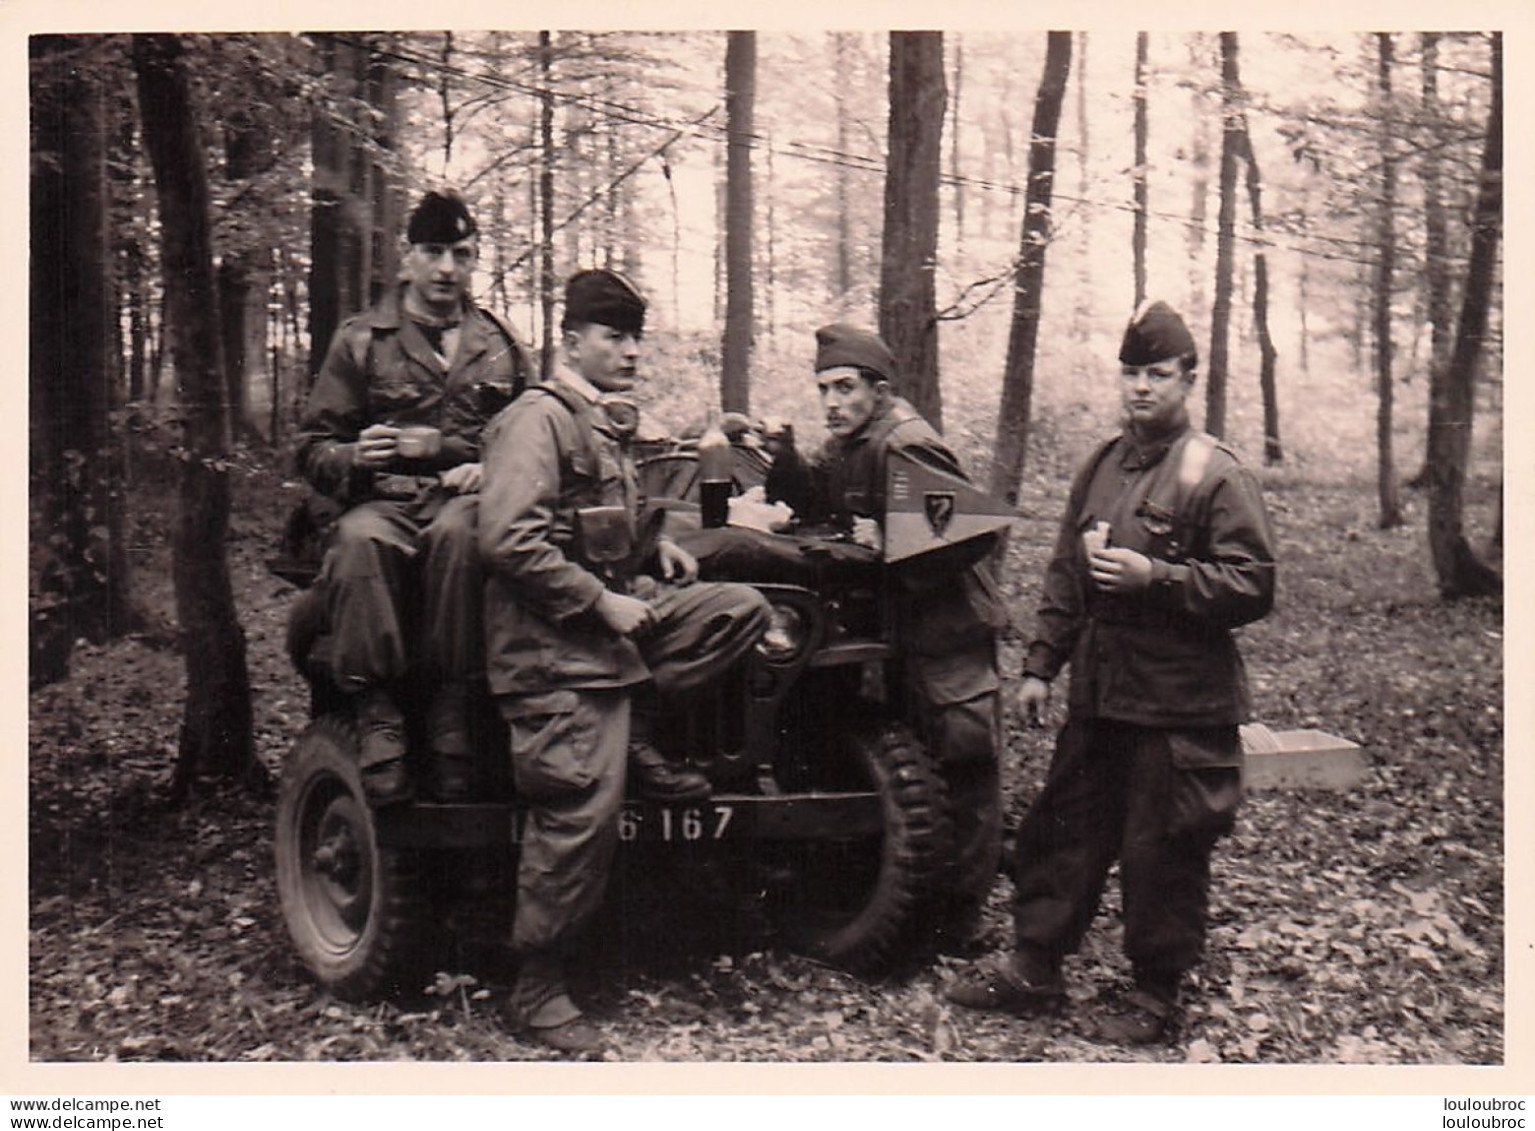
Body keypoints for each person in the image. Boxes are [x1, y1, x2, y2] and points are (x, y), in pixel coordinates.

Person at [946, 299, 1277, 1044]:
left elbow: (1252, 584)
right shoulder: (1101, 464)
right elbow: (1068, 571)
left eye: (1156, 373)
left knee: (1162, 847)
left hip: (1178, 701)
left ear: (1187, 380)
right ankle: (1034, 965)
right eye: (1130, 372)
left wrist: (1155, 576)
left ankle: (1155, 994)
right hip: (1101, 691)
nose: (1139, 387)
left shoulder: (1213, 471)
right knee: (1062, 828)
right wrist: (1039, 665)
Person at [478, 268, 770, 1055]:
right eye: (615, 336)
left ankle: (634, 724)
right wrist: (599, 600)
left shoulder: (604, 425)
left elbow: (609, 528)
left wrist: (658, 548)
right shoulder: (537, 420)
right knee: (577, 802)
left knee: (736, 608)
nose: (632, 352)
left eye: (637, 336)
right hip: (552, 649)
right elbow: (508, 538)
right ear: (572, 340)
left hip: (608, 640)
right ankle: (536, 986)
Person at [764, 323, 1009, 946]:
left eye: (844, 388)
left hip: (948, 629)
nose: (832, 402)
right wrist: (783, 456)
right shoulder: (853, 442)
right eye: (823, 389)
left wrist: (889, 542)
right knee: (918, 762)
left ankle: (961, 920)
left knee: (964, 763)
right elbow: (819, 496)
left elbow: (973, 528)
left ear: (878, 388)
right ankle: (927, 899)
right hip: (904, 629)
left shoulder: (904, 443)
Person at [296, 189, 529, 805]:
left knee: (464, 535)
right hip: (385, 504)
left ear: (475, 261)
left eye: (461, 253)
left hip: (463, 503)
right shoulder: (361, 341)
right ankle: (379, 714)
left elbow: (533, 439)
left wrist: (484, 465)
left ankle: (454, 713)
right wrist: (350, 456)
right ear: (406, 260)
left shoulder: (500, 344)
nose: (447, 268)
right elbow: (312, 447)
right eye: (432, 252)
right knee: (358, 541)